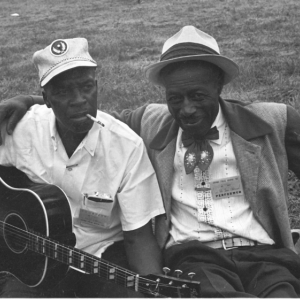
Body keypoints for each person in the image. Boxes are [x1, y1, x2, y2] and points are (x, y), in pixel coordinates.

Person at [1, 25, 300, 297]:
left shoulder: (269, 121)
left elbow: (91, 112)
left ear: (219, 85)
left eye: (198, 95)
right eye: (175, 98)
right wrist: (33, 101)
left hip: (264, 255)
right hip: (198, 259)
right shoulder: (153, 122)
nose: (187, 110)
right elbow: (81, 113)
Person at [0, 37, 165, 297]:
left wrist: (154, 288)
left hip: (102, 257)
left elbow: (139, 237)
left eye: (86, 87)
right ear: (46, 98)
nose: (79, 100)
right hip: (31, 262)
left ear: (97, 87)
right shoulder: (20, 130)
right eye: (63, 92)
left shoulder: (126, 146)